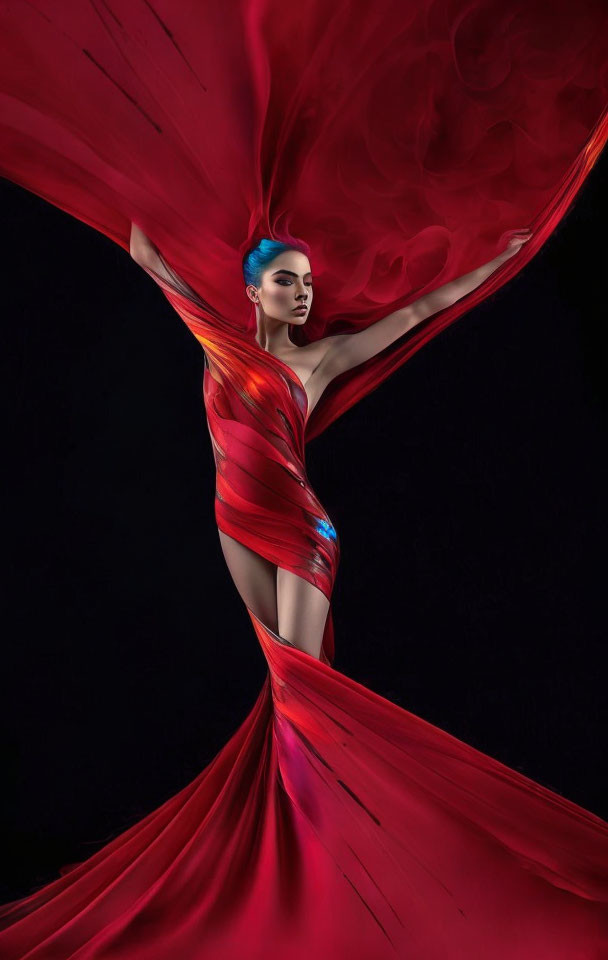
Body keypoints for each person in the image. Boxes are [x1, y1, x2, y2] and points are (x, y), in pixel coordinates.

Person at [130, 222, 531, 661]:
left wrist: (500, 260)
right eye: (285, 280)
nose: (302, 292)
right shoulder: (218, 346)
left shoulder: (320, 359)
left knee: (301, 676)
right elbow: (145, 254)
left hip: (300, 525)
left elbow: (416, 313)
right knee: (287, 677)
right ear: (253, 292)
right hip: (234, 521)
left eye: (307, 282)